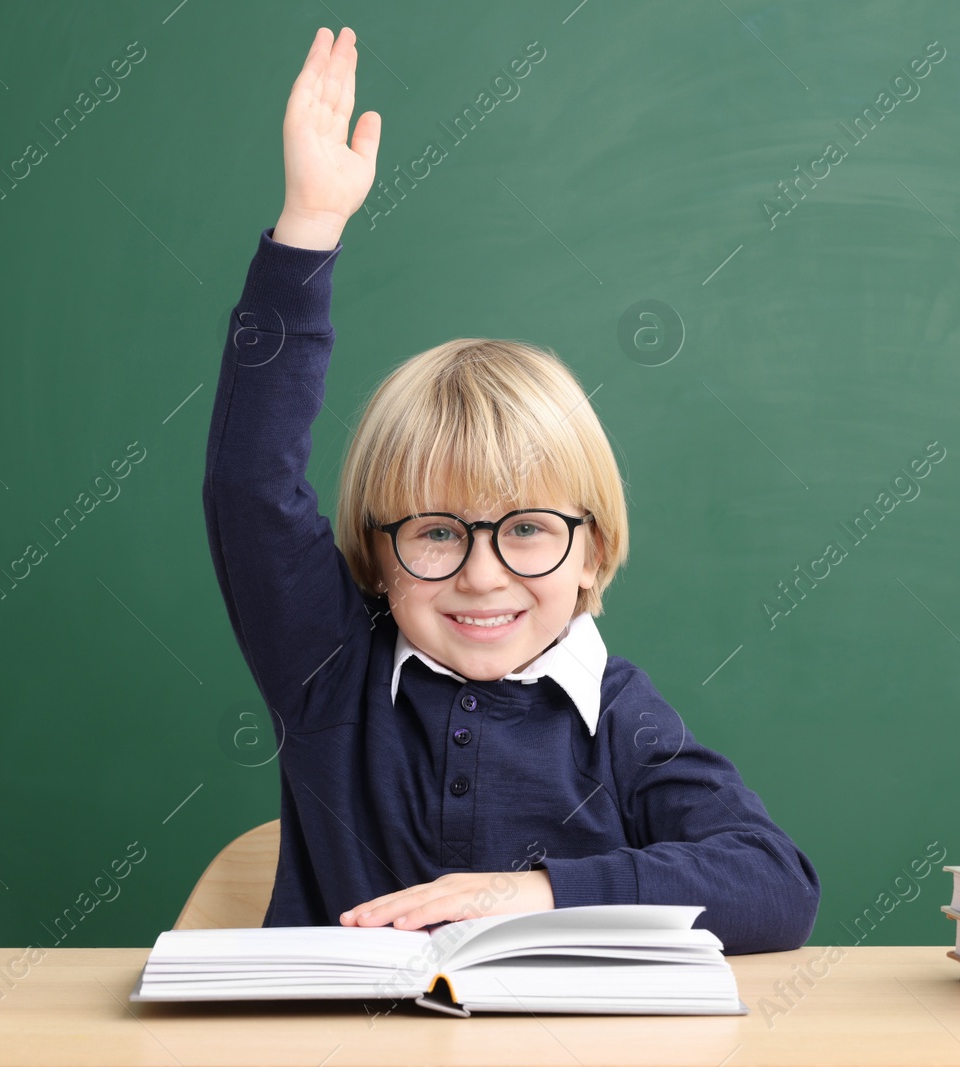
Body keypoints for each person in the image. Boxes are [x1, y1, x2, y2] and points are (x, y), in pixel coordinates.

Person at [202, 26, 819, 953]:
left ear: (593, 550)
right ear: (377, 554)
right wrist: (309, 228)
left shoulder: (619, 718)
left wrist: (538, 891)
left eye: (528, 529)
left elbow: (775, 885)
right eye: (438, 533)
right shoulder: (326, 665)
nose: (483, 577)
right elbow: (249, 483)